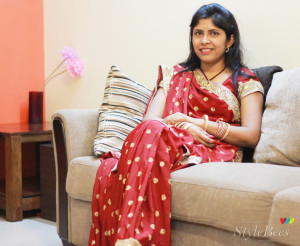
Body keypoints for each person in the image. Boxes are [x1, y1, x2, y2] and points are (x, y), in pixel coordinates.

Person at [89, 3, 264, 246]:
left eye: (214, 33)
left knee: (140, 150)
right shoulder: (176, 75)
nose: (204, 40)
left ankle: (132, 238)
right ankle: (133, 238)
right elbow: (150, 122)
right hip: (173, 139)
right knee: (144, 136)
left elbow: (251, 135)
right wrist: (185, 128)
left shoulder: (244, 79)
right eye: (198, 33)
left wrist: (197, 124)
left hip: (214, 148)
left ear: (230, 40)